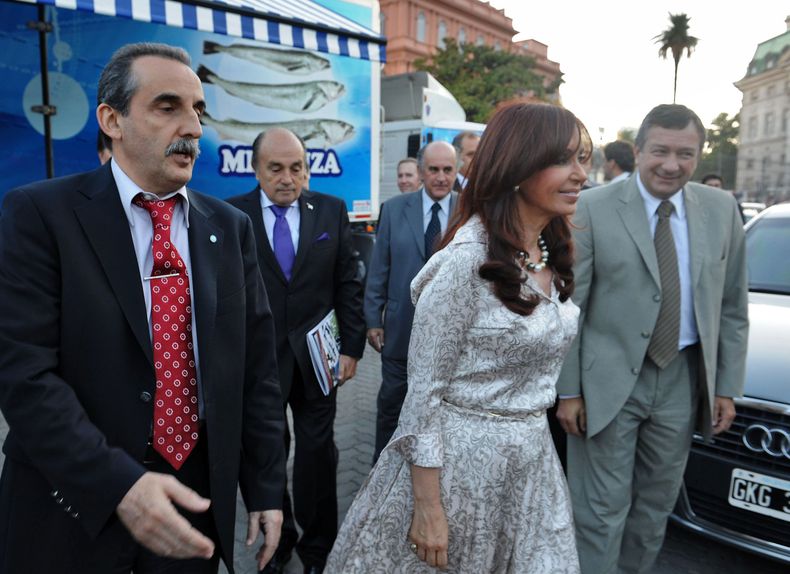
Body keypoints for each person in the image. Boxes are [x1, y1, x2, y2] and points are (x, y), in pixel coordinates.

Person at [0, 42, 286, 573]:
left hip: (191, 506)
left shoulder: (229, 228)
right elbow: (23, 376)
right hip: (71, 508)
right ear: (112, 119)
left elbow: (256, 374)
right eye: (167, 106)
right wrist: (118, 486)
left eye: (198, 110)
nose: (193, 128)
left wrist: (267, 486)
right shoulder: (41, 215)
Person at [327, 101, 589, 573]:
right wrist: (428, 509)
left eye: (582, 159)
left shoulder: (552, 251)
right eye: (563, 159)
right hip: (459, 474)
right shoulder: (466, 261)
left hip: (532, 466)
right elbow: (422, 396)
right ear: (517, 165)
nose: (580, 175)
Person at [556, 104, 749, 574]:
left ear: (699, 156)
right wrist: (569, 391)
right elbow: (569, 308)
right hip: (607, 385)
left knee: (652, 513)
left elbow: (732, 308)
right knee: (599, 514)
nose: (671, 164)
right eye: (660, 150)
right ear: (639, 150)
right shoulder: (594, 207)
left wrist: (725, 387)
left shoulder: (722, 210)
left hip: (682, 381)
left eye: (685, 153)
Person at [227, 127, 365, 574]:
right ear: (256, 170)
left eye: (297, 167)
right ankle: (277, 539)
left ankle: (318, 546)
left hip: (318, 357)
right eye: (276, 168)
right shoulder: (234, 216)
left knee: (316, 452)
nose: (288, 178)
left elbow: (347, 282)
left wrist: (351, 348)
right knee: (266, 451)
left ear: (307, 168)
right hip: (259, 359)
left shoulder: (330, 210)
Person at [365, 140, 459, 462]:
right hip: (400, 332)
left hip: (450, 337)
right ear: (421, 172)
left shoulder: (470, 211)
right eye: (434, 169)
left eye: (448, 170)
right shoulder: (393, 210)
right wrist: (374, 320)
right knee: (391, 406)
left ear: (456, 172)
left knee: (441, 415)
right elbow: (380, 267)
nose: (441, 177)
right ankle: (380, 474)